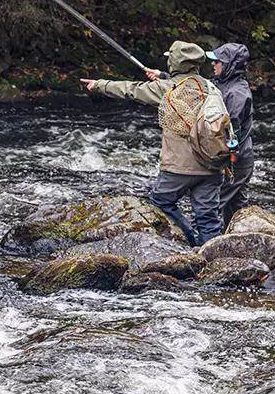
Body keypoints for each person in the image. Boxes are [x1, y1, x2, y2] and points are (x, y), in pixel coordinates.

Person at [81, 41, 224, 247]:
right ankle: (212, 259)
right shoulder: (211, 88)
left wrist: (99, 85)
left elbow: (131, 89)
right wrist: (163, 76)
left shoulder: (167, 89)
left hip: (179, 168)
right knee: (208, 218)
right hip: (213, 165)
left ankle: (190, 240)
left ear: (174, 62)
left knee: (160, 202)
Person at [207, 43, 254, 229]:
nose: (213, 64)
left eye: (218, 61)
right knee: (236, 207)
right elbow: (198, 85)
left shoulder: (237, 93)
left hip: (236, 159)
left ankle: (202, 243)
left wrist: (227, 158)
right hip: (237, 158)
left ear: (230, 65)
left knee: (213, 204)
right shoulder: (222, 83)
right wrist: (163, 77)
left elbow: (231, 131)